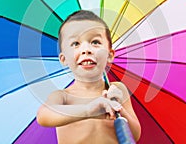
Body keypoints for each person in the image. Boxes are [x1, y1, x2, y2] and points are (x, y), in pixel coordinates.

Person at [37, 10, 141, 143]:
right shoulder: (63, 96)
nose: (86, 49)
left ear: (109, 55)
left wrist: (119, 109)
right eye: (75, 44)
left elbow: (135, 134)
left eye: (95, 42)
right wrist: (87, 110)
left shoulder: (116, 89)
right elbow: (43, 115)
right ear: (64, 59)